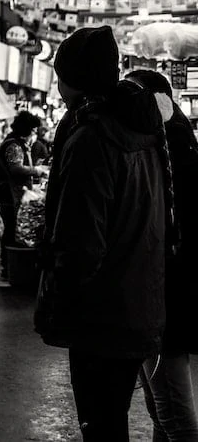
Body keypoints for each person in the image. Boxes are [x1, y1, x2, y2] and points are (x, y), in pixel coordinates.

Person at [35, 26, 170, 442]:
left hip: (100, 314)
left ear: (73, 77)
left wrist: (61, 298)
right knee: (112, 420)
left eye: (59, 74)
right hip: (136, 302)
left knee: (101, 424)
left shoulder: (92, 137)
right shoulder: (142, 129)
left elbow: (80, 240)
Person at [127, 69, 198, 441]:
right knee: (161, 409)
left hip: (164, 294)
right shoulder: (174, 138)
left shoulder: (169, 144)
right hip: (163, 291)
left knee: (173, 411)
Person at [0, 112, 47, 277]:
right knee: (10, 230)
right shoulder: (14, 145)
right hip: (8, 194)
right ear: (27, 130)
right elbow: (15, 168)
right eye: (34, 130)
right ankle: (8, 268)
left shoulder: (17, 143)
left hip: (12, 193)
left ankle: (8, 268)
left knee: (11, 229)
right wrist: (37, 171)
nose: (35, 134)